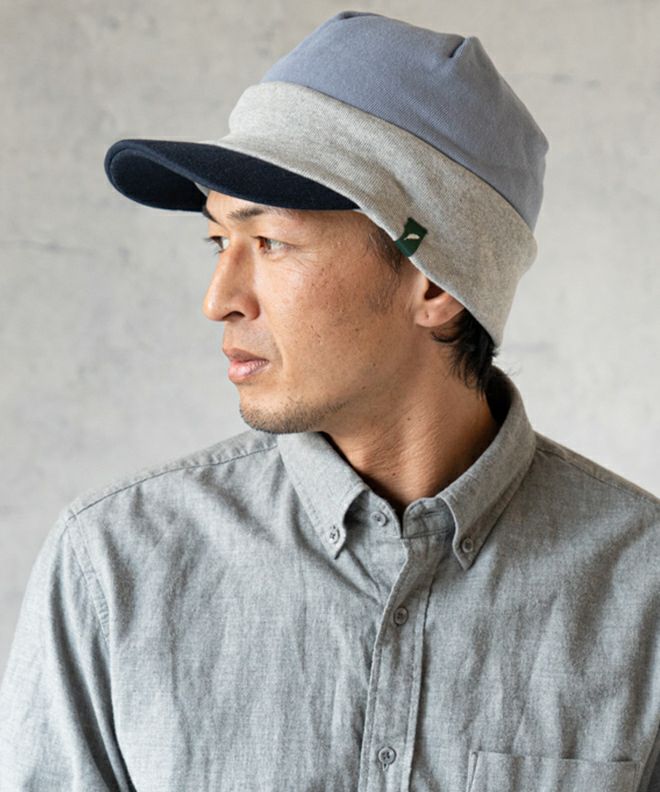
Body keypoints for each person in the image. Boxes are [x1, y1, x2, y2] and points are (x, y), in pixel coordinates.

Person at [0, 10, 658, 792]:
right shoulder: (114, 568)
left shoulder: (643, 588)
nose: (219, 299)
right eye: (218, 241)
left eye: (270, 242)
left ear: (435, 282)